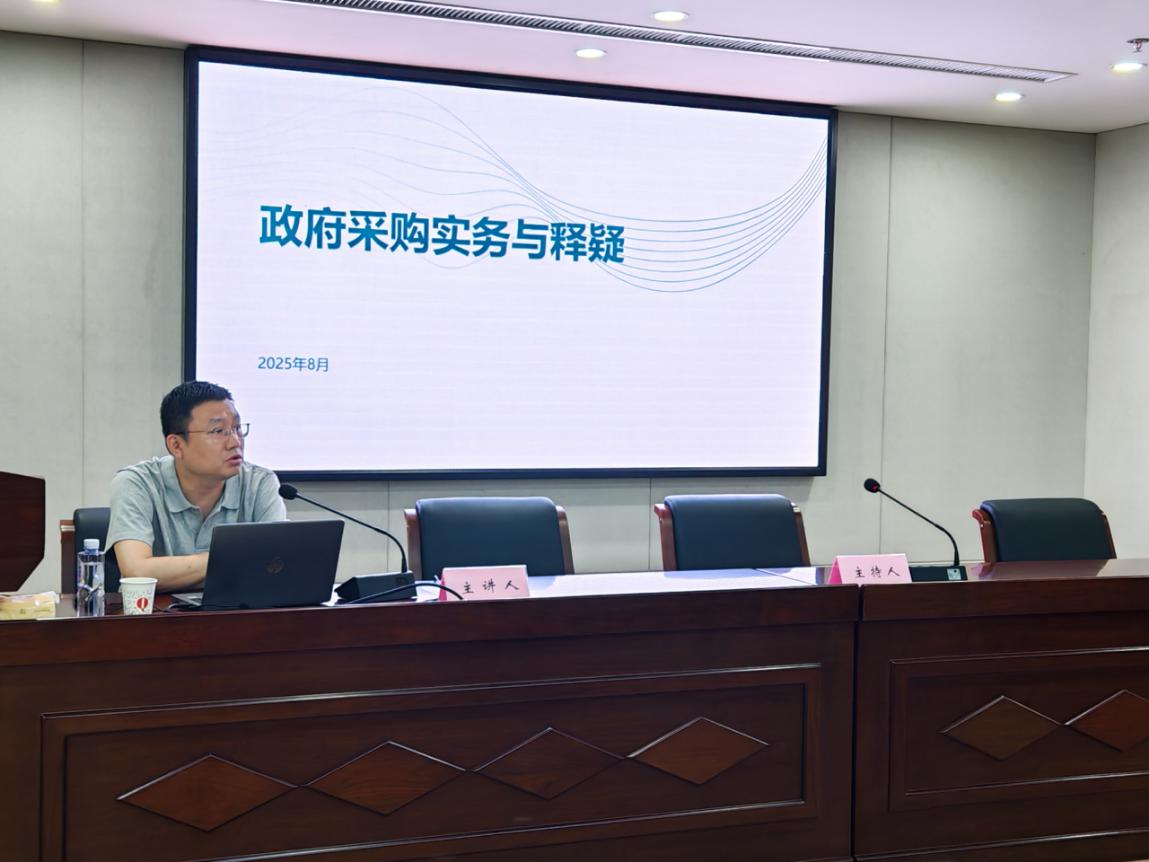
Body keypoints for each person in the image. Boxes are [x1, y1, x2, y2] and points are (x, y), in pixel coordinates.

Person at [106, 381, 286, 592]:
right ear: (176, 445)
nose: (235, 442)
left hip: (238, 610)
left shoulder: (259, 483)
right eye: (218, 431)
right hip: (155, 612)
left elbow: (277, 566)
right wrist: (241, 558)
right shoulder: (137, 483)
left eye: (237, 428)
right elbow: (137, 573)